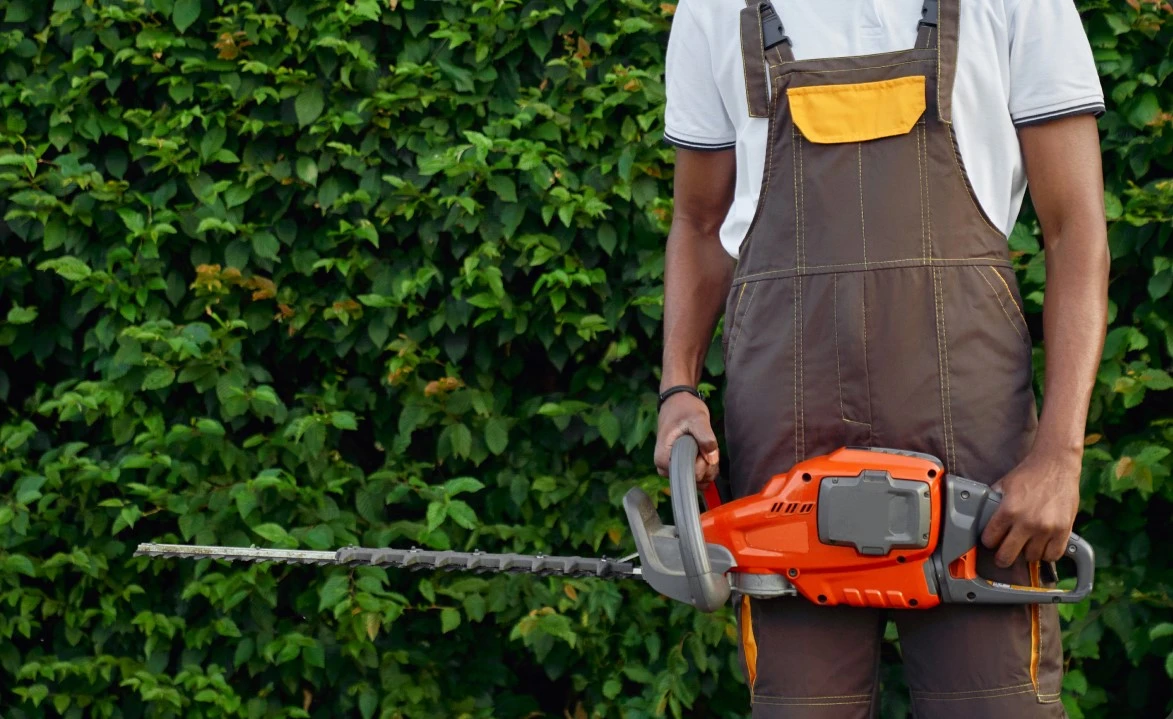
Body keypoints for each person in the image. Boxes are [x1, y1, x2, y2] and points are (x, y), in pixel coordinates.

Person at [652, 0, 1109, 716]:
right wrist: (676, 386)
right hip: (784, 454)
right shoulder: (713, 8)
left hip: (980, 458)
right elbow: (698, 220)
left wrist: (1059, 451)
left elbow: (1074, 227)